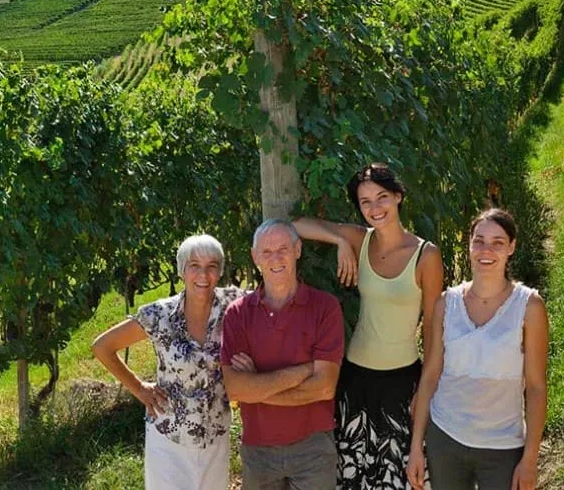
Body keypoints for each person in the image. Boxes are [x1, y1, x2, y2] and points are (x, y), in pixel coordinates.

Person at [294, 163, 444, 489]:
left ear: (399, 196)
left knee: (400, 480)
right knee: (352, 478)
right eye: (365, 202)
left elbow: (433, 330)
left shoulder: (425, 255)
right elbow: (296, 224)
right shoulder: (361, 240)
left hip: (403, 383)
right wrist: (339, 241)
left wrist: (426, 387)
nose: (375, 208)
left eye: (382, 197)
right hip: (355, 381)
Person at [92, 234, 250, 490]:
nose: (203, 274)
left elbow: (274, 305)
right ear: (181, 271)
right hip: (169, 439)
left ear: (219, 272)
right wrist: (139, 388)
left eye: (211, 266)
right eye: (194, 266)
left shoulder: (233, 304)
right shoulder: (159, 315)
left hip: (215, 437)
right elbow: (102, 347)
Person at [407, 208, 549, 490]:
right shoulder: (446, 304)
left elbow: (535, 387)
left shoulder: (529, 307)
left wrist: (530, 459)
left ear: (511, 248)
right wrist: (415, 449)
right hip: (445, 438)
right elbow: (430, 375)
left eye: (498, 242)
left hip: (502, 446)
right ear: (469, 245)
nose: (487, 250)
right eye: (479, 241)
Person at [221, 219, 345, 489]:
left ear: (298, 249)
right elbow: (234, 389)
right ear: (255, 258)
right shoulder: (238, 314)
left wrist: (257, 386)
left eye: (283, 249)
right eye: (266, 252)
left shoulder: (325, 307)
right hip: (258, 450)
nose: (275, 258)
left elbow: (324, 388)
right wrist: (303, 371)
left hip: (312, 447)